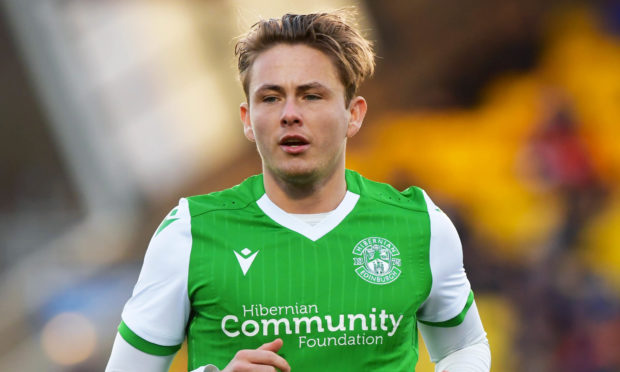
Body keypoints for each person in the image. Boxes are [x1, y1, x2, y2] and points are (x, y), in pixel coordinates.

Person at [106, 9, 491, 372]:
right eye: (270, 98)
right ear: (248, 120)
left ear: (352, 114)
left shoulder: (418, 224)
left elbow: (465, 346)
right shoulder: (189, 232)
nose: (290, 113)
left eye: (311, 95)